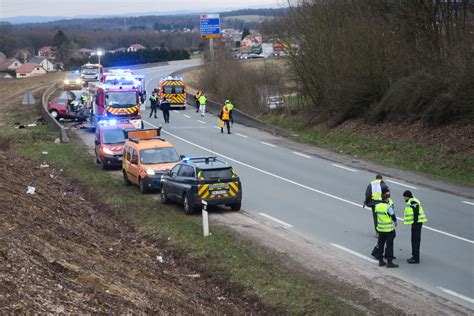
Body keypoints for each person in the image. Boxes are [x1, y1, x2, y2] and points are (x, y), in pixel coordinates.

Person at [403, 191, 428, 264]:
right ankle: (414, 256)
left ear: (407, 196)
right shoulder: (411, 201)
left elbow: (416, 211)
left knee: (415, 240)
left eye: (404, 197)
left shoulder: (413, 201)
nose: (404, 198)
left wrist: (415, 222)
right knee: (414, 240)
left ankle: (416, 258)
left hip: (417, 223)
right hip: (416, 223)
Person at [375, 192, 399, 268]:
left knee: (381, 245)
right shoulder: (388, 207)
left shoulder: (377, 206)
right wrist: (395, 222)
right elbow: (393, 215)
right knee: (389, 246)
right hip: (388, 230)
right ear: (387, 198)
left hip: (381, 229)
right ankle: (389, 262)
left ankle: (381, 261)